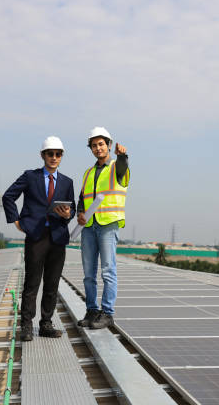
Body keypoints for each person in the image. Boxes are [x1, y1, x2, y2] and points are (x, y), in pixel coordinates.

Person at [2, 136, 75, 341]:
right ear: (43, 155)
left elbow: (73, 207)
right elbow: (8, 196)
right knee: (32, 283)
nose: (54, 157)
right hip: (36, 237)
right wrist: (16, 221)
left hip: (58, 238)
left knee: (52, 284)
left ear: (61, 157)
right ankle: (26, 325)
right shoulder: (30, 176)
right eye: (50, 154)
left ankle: (46, 324)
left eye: (57, 154)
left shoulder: (67, 182)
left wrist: (67, 214)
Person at [76, 127, 129, 329]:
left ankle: (107, 313)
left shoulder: (117, 167)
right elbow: (82, 198)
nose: (98, 148)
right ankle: (92, 310)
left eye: (101, 144)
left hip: (108, 225)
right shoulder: (88, 173)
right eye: (94, 145)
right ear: (90, 148)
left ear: (108, 145)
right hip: (89, 227)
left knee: (108, 271)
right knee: (88, 273)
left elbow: (123, 169)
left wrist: (123, 156)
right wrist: (80, 213)